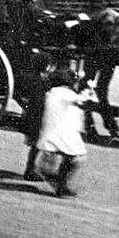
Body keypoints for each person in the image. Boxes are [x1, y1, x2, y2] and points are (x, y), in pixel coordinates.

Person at [35, 68, 97, 198]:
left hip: (54, 133)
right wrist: (90, 91)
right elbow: (81, 100)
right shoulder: (63, 93)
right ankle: (61, 184)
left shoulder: (53, 92)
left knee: (68, 157)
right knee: (76, 158)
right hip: (61, 134)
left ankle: (58, 181)